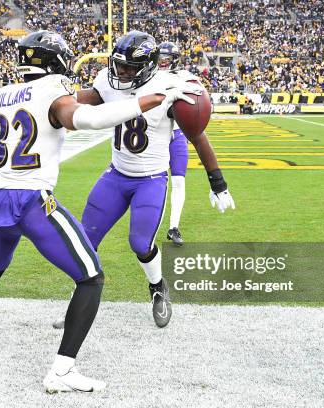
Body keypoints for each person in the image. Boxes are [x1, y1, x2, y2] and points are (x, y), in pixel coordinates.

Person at [0, 30, 194, 393]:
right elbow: (92, 120)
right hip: (33, 201)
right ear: (55, 61)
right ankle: (62, 371)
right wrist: (153, 99)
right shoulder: (53, 94)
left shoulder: (2, 94)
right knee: (91, 278)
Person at [75, 31, 235, 328]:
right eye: (118, 65)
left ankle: (158, 286)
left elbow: (198, 137)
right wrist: (52, 96)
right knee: (85, 240)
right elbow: (84, 100)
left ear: (149, 66)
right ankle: (79, 299)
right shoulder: (109, 82)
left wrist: (217, 181)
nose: (120, 73)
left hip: (150, 179)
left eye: (128, 68)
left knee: (140, 243)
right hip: (116, 174)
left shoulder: (168, 87)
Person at [156, 41, 235, 247]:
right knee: (155, 182)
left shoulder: (186, 78)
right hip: (156, 136)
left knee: (179, 181)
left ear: (174, 60)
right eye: (159, 58)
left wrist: (217, 182)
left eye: (166, 59)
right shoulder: (149, 77)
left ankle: (174, 227)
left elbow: (199, 104)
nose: (162, 63)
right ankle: (150, 223)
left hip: (178, 135)